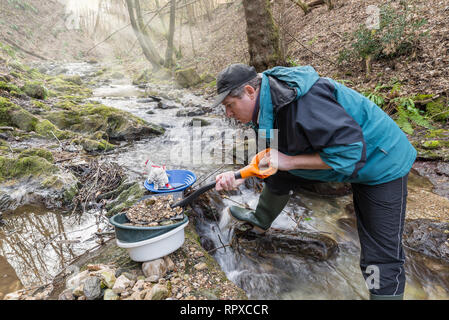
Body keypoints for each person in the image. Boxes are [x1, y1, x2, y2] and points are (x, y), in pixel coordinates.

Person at [212, 63, 417, 300]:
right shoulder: (266, 108)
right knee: (282, 167)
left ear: (250, 91)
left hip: (381, 161)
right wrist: (239, 176)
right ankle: (261, 220)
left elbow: (350, 153)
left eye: (229, 105)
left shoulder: (305, 103)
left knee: (379, 256)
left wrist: (290, 161)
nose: (228, 114)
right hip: (343, 159)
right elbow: (272, 163)